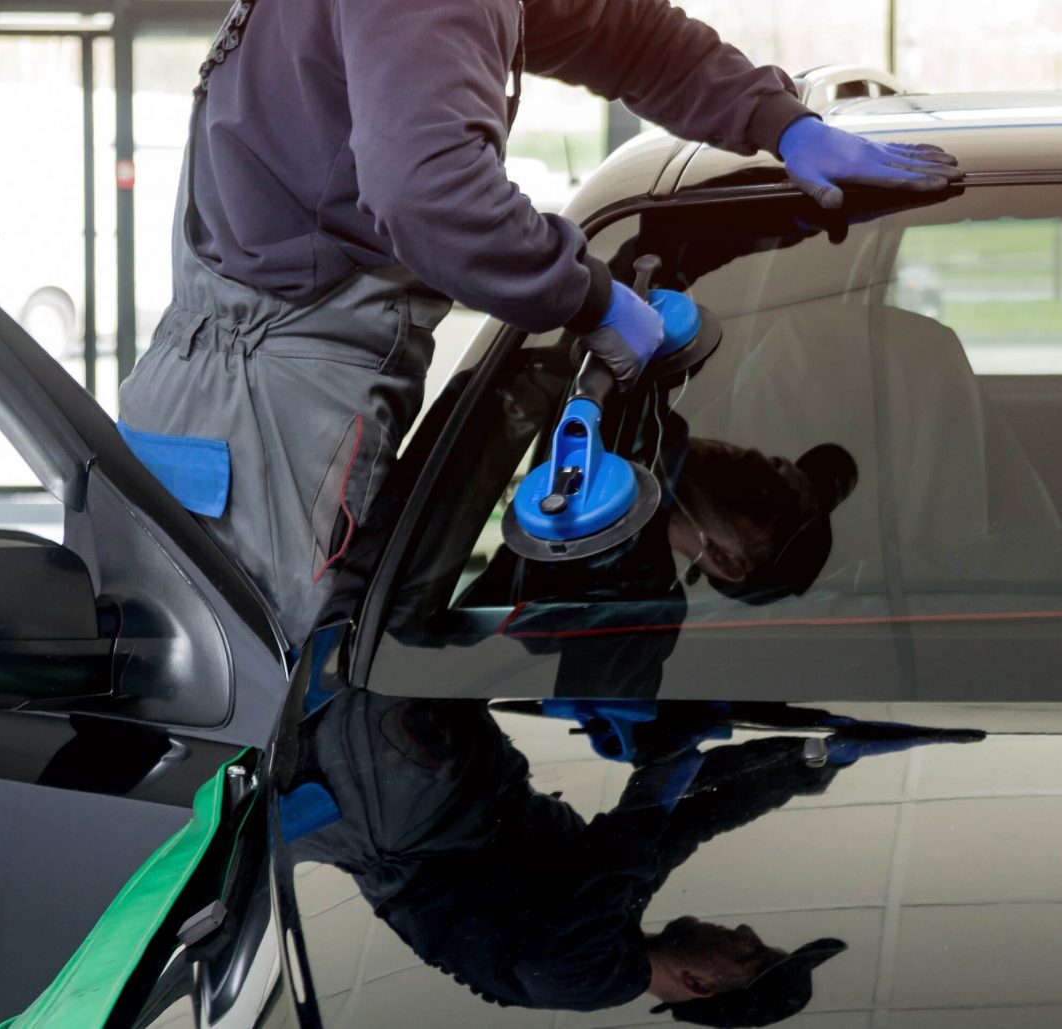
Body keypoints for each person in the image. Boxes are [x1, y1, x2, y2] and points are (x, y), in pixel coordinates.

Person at [117, 0, 962, 642]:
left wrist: (779, 121)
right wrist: (592, 300)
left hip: (248, 376)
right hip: (259, 405)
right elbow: (429, 194)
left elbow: (623, 34)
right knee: (264, 732)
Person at [285, 690, 977, 1023]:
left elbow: (622, 854)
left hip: (405, 802)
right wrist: (812, 761)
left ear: (700, 985)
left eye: (752, 954)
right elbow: (687, 823)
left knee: (344, 636)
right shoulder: (619, 939)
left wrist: (661, 769)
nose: (745, 931)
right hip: (450, 782)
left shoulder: (587, 977)